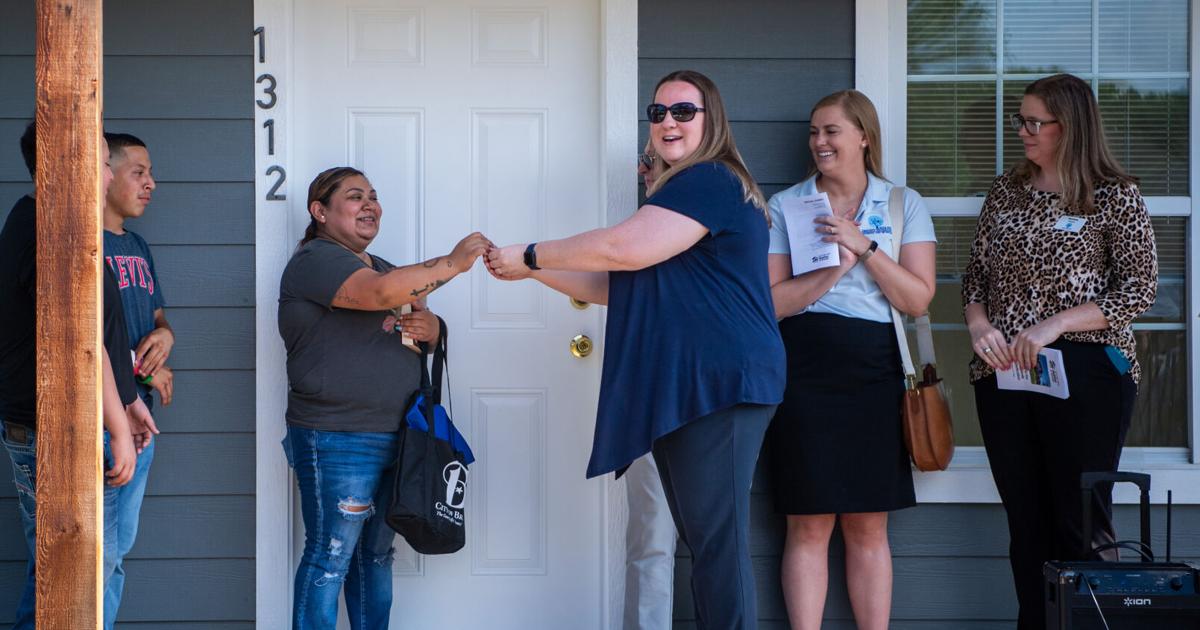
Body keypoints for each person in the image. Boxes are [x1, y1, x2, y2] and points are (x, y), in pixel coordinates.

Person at [487, 69, 785, 628]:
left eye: (683, 111)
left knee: (717, 545)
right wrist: (531, 274)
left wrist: (531, 253)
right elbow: (611, 284)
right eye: (658, 113)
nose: (667, 122)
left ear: (711, 119)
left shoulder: (710, 180)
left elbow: (620, 249)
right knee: (706, 541)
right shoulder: (679, 198)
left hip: (719, 383)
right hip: (687, 385)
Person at [962, 73, 1158, 630]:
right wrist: (979, 326)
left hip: (1089, 370)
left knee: (1081, 524)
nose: (1022, 131)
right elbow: (975, 277)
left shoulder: (1114, 194)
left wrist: (1055, 326)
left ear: (1068, 127)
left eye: (1033, 122)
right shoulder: (1006, 190)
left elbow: (1138, 287)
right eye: (1020, 120)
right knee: (1026, 524)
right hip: (1003, 373)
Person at [278, 166, 490, 629]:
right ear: (320, 211)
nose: (370, 204)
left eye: (373, 196)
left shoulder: (388, 270)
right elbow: (377, 295)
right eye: (355, 197)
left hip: (395, 434)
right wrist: (452, 262)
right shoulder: (317, 260)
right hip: (338, 437)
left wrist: (432, 331)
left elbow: (414, 324)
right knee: (331, 555)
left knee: (374, 557)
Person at [764, 89, 936, 630]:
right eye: (814, 132)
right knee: (808, 523)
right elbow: (770, 303)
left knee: (867, 523)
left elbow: (917, 299)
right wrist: (832, 272)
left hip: (876, 367)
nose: (819, 141)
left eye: (831, 131)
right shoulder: (786, 206)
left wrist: (862, 247)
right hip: (804, 367)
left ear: (863, 136)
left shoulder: (902, 203)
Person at [0, 122, 151, 630]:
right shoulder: (43, 230)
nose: (109, 176)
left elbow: (106, 334)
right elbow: (80, 344)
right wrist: (115, 429)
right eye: (104, 162)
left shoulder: (65, 227)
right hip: (56, 431)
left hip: (79, 421)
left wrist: (129, 402)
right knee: (75, 577)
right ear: (65, 161)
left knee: (71, 570)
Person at [101, 132, 172, 629]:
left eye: (150, 174)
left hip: (139, 416)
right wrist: (140, 366)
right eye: (138, 172)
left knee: (116, 553)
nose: (151, 183)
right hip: (104, 414)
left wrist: (166, 341)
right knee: (88, 555)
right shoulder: (85, 243)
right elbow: (85, 336)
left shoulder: (137, 245)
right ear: (104, 175)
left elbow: (158, 320)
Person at [623, 142, 678, 630]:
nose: (644, 167)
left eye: (653, 160)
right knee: (652, 535)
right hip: (650, 401)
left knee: (713, 542)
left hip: (708, 405)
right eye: (644, 159)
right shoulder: (642, 232)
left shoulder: (713, 224)